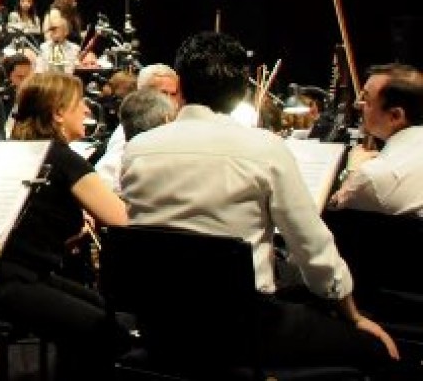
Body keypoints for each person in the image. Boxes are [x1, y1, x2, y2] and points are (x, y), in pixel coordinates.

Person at [122, 31, 400, 373]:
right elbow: (313, 250)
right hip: (240, 331)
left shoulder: (137, 149)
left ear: (179, 86)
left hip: (159, 325)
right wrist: (352, 315)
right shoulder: (263, 149)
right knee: (374, 350)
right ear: (243, 92)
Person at [0, 71, 131, 380]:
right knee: (108, 330)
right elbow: (122, 219)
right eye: (80, 103)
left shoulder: (12, 150)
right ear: (58, 113)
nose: (88, 110)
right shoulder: (62, 157)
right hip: (11, 283)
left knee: (101, 308)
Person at [328, 63, 423, 215]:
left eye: (366, 99)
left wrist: (353, 169)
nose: (357, 105)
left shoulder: (372, 176)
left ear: (395, 116)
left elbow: (335, 205)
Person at [93, 63, 182, 193]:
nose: (169, 101)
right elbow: (104, 180)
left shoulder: (180, 126)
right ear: (142, 95)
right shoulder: (128, 132)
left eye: (173, 94)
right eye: (163, 93)